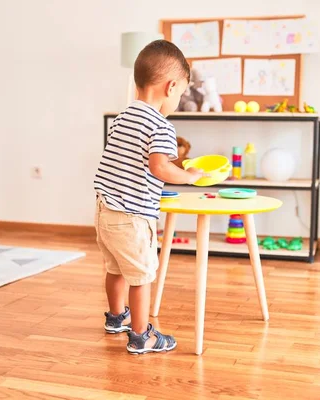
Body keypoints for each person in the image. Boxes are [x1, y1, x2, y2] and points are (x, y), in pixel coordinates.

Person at [93, 40, 204, 354]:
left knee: (115, 269)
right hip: (131, 217)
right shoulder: (161, 125)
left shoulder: (123, 117)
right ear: (171, 87)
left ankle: (116, 318)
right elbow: (159, 167)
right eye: (181, 93)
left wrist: (172, 167)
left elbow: (132, 162)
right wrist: (190, 177)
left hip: (104, 211)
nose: (179, 100)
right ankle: (142, 336)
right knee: (141, 276)